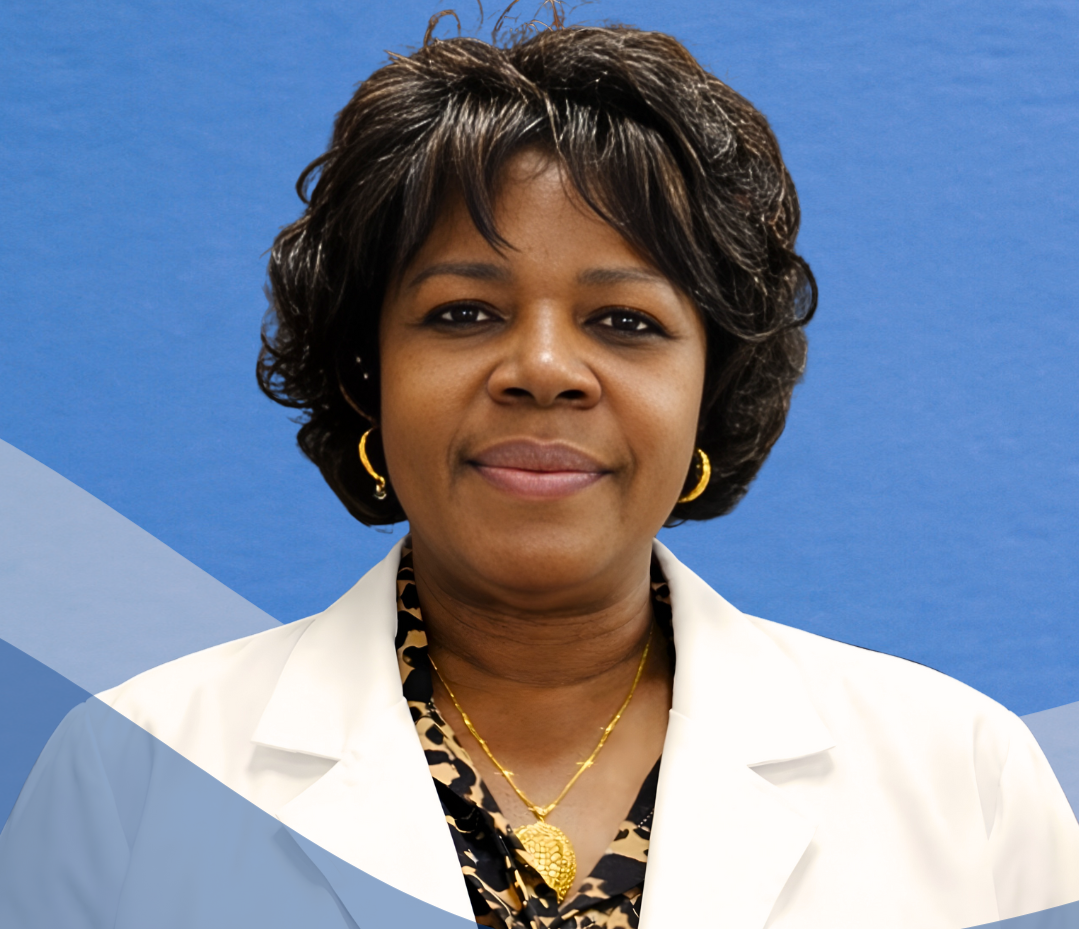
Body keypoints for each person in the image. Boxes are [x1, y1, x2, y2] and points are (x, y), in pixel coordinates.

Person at [2, 21, 1078, 929]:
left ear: (713, 387)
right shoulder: (134, 773)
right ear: (366, 374)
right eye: (462, 312)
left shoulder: (959, 774)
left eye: (625, 320)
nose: (546, 370)